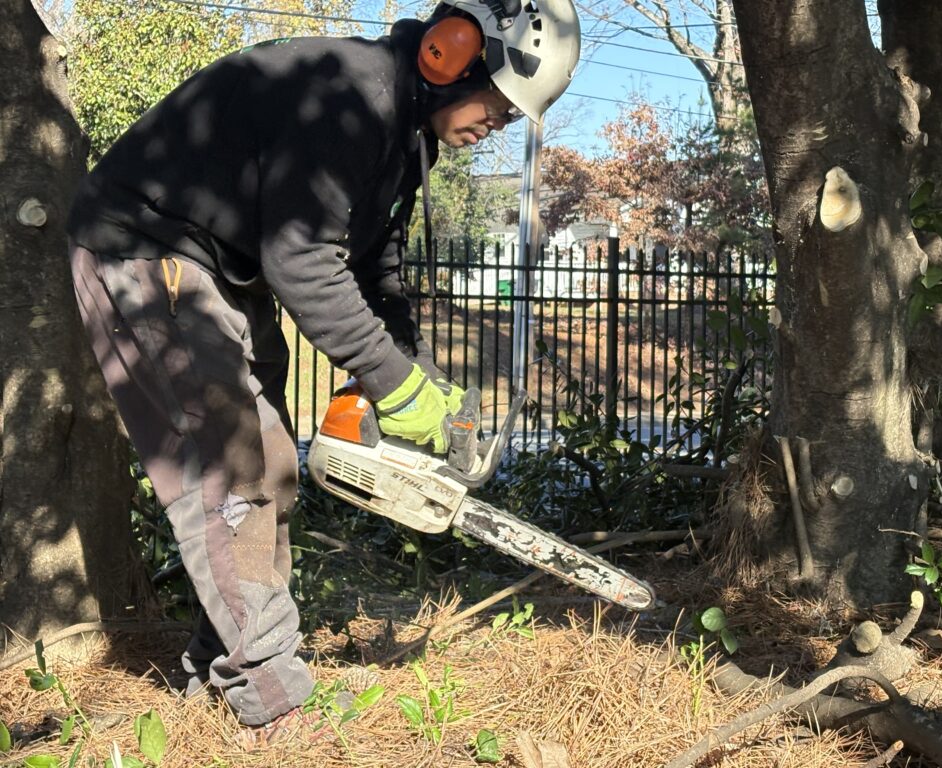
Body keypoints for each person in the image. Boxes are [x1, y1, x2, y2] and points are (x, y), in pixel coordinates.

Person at [66, 0, 581, 746]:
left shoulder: (405, 138)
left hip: (222, 268)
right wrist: (392, 384)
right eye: (500, 103)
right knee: (235, 464)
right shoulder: (352, 95)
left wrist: (413, 381)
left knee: (273, 471)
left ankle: (218, 666)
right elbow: (302, 259)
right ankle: (271, 698)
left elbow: (377, 268)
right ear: (451, 53)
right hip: (143, 249)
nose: (497, 123)